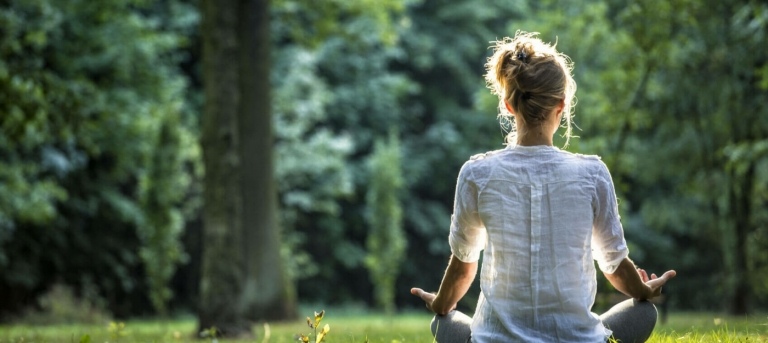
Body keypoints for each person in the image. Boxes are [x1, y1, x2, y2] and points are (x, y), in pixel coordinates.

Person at [410, 31, 676, 343]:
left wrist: (440, 303)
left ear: (509, 106)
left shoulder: (476, 174)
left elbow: (463, 267)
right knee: (644, 312)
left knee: (442, 323)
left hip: (494, 340)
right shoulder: (592, 173)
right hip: (577, 340)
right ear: (561, 106)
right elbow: (614, 265)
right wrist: (644, 290)